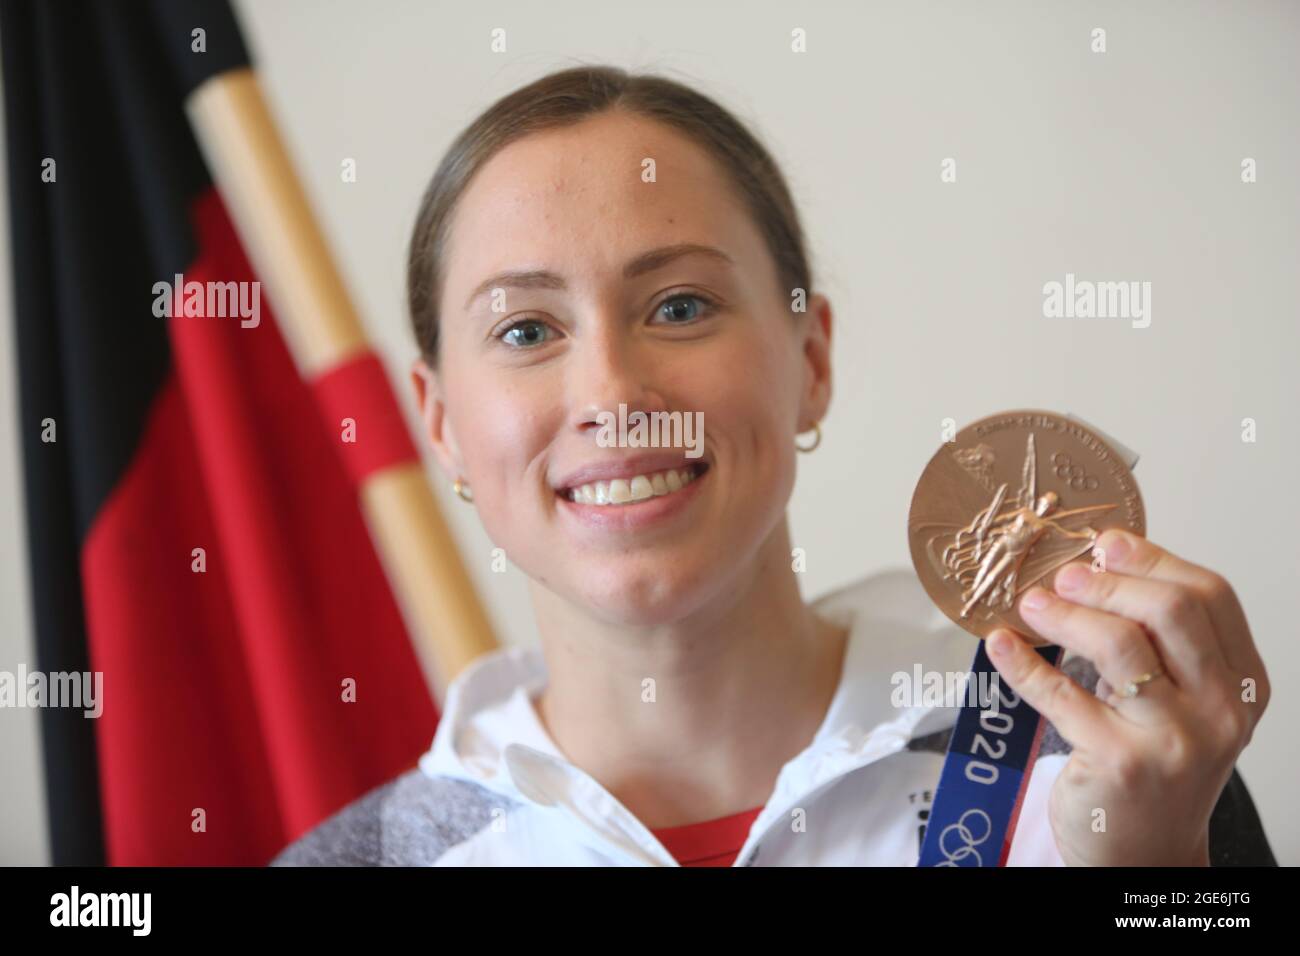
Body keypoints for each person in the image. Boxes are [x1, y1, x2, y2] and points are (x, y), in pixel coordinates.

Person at [273, 65, 1275, 867]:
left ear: (811, 361)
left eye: (679, 307)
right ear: (441, 422)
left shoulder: (1115, 762)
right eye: (526, 329)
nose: (612, 392)